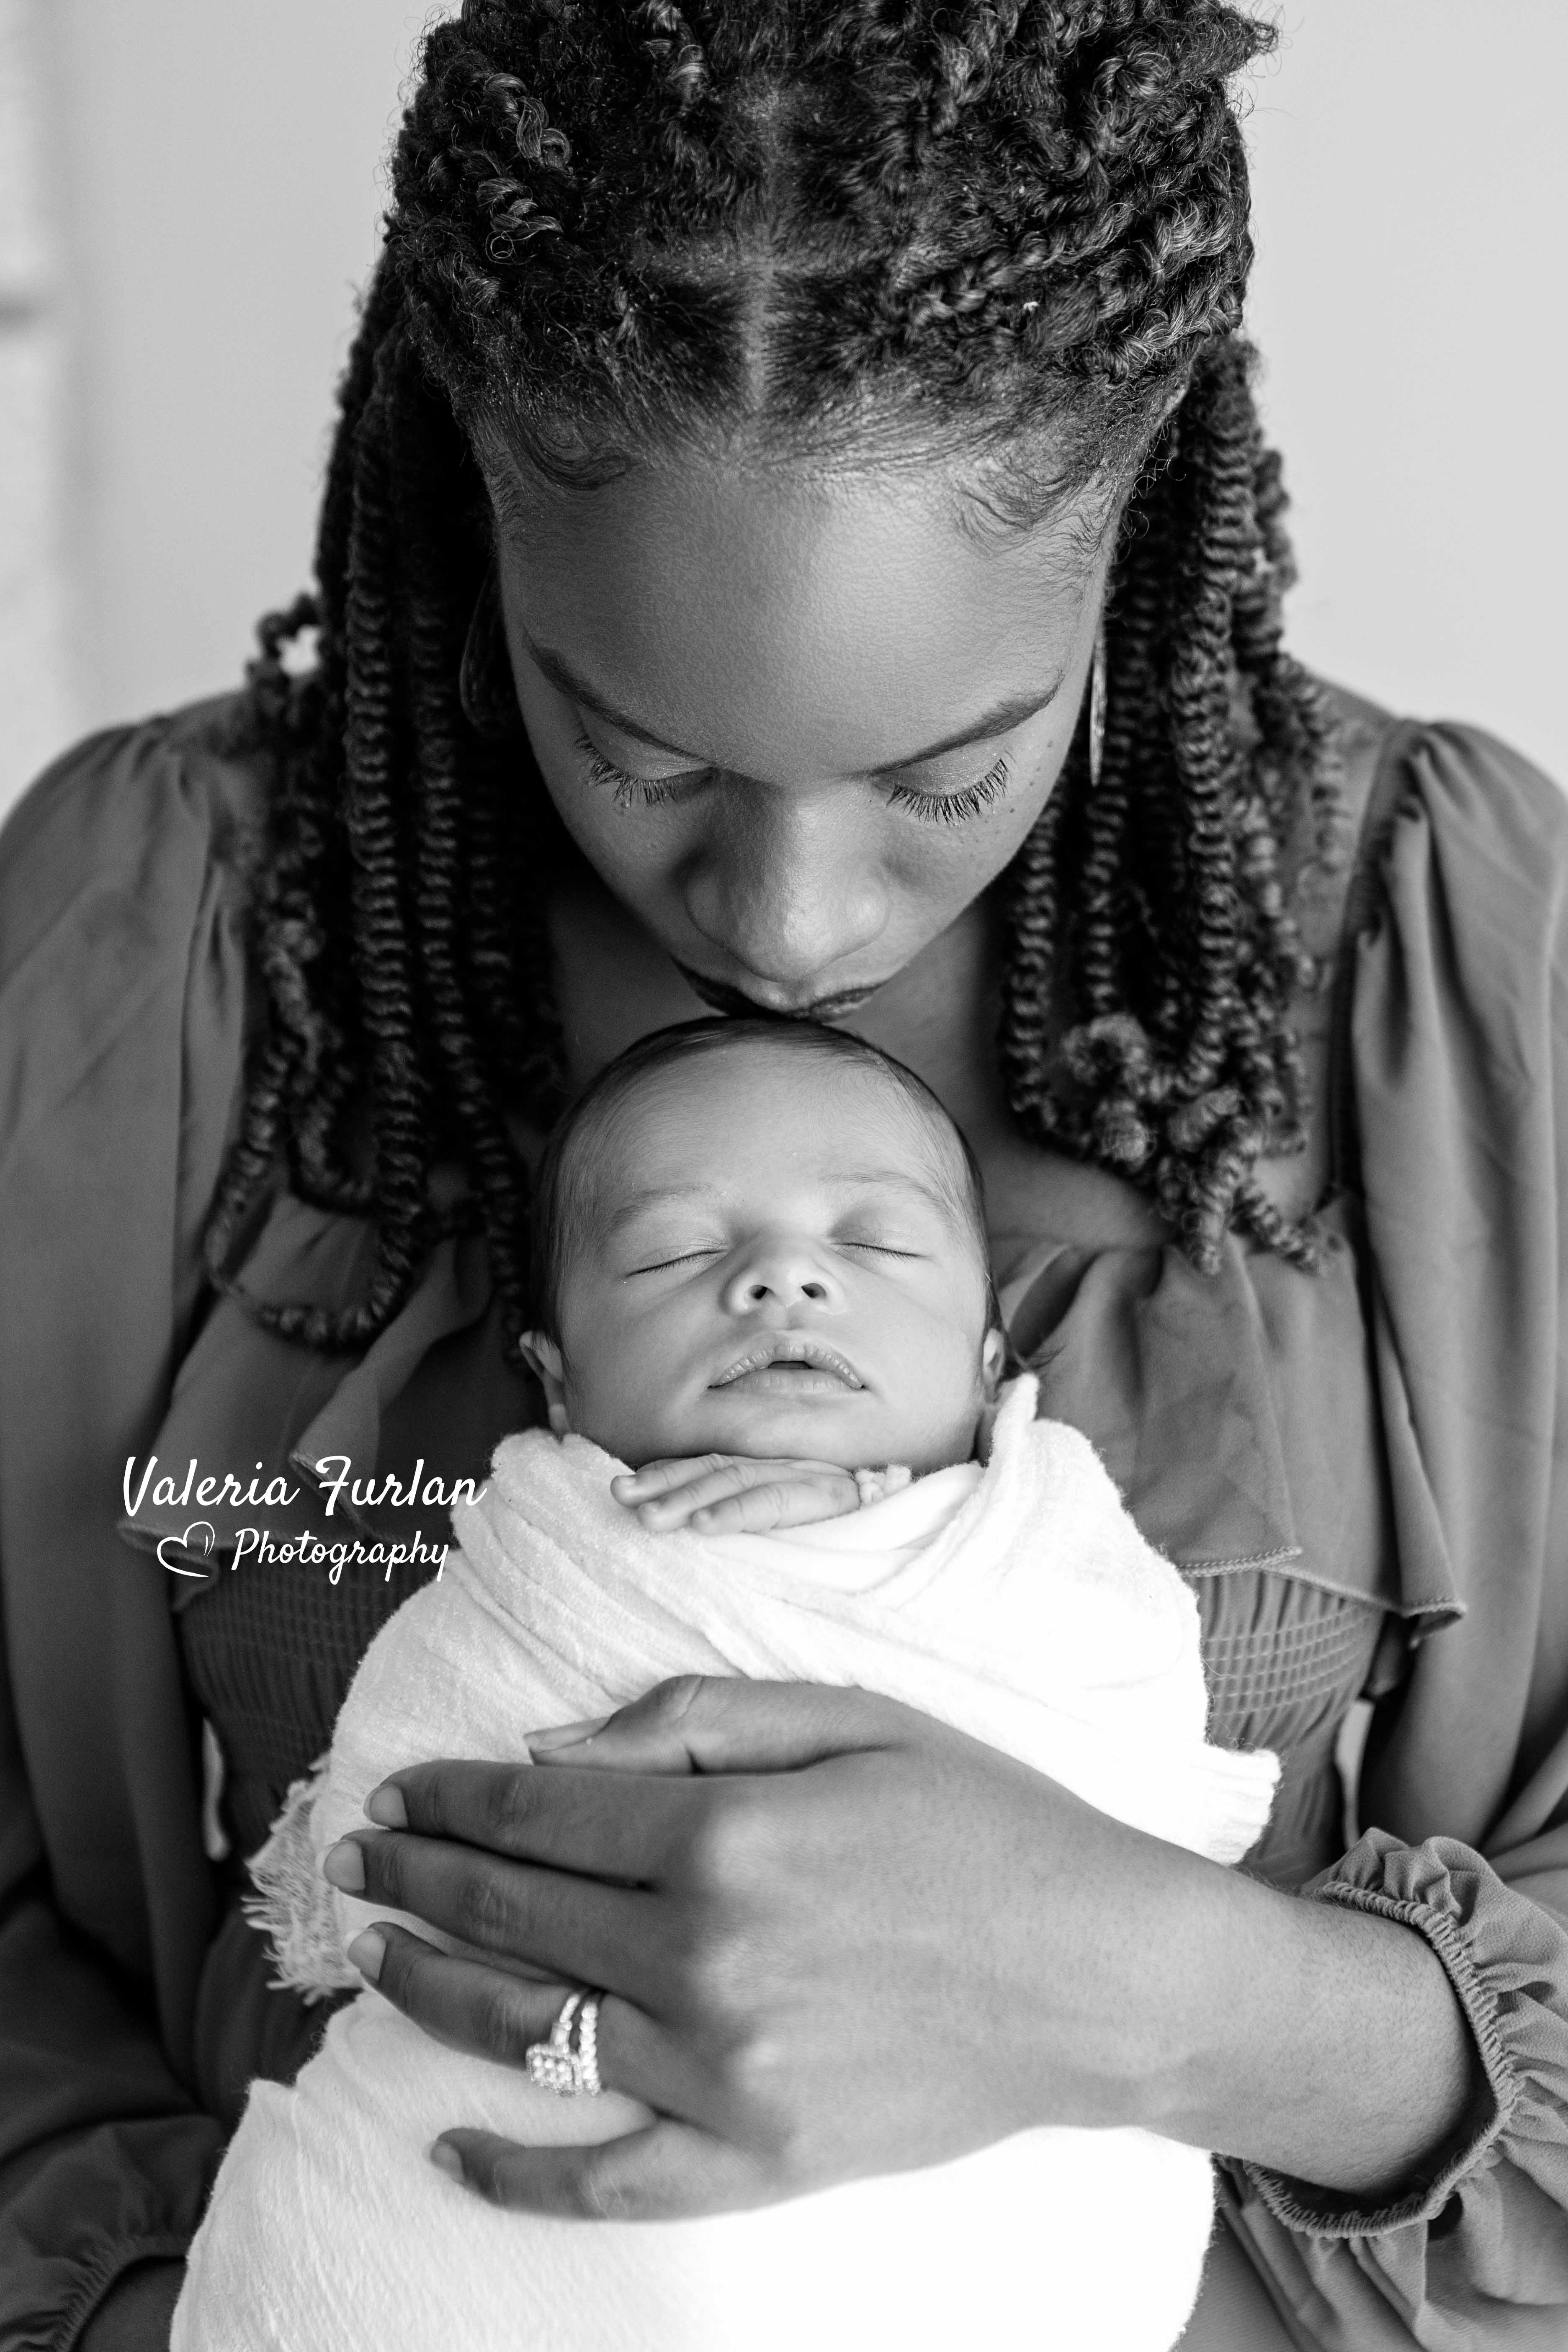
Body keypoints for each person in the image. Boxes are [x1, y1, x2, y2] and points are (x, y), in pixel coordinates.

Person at [0, 3, 1563, 2346]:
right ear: (477, 501)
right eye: (634, 753)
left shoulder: (1439, 961)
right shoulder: (166, 944)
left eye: (945, 775)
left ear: (1136, 527)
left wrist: (1167, 1993)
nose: (793, 924)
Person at [171, 1016, 1279, 2352]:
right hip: (481, 2218)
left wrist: (867, 1522)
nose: (780, 1277)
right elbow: (396, 1815)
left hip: (955, 2223)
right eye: (674, 1253)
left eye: (875, 1243)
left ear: (990, 1366)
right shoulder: (541, 1552)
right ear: (558, 1385)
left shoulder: (1042, 1549)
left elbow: (1133, 1796)